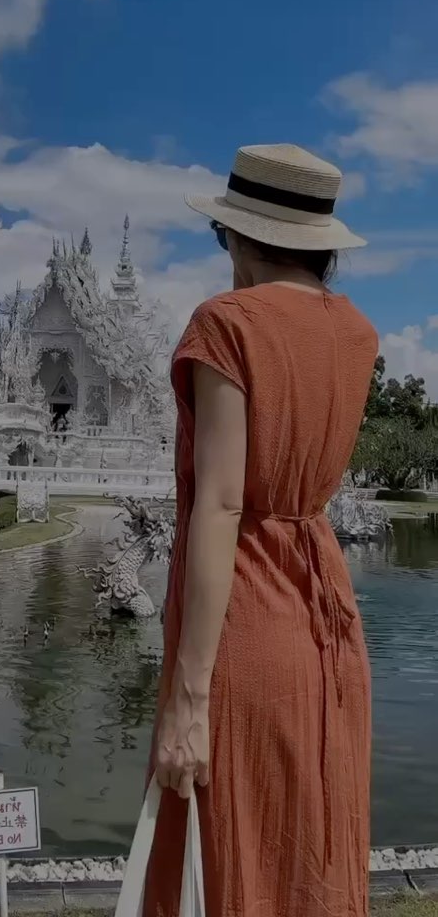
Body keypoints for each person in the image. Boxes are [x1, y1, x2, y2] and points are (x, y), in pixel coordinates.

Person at [145, 145, 378, 917]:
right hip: (326, 620)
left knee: (228, 845)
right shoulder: (356, 334)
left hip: (246, 612)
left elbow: (220, 503)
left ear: (235, 236)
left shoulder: (227, 321)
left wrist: (187, 695)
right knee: (306, 835)